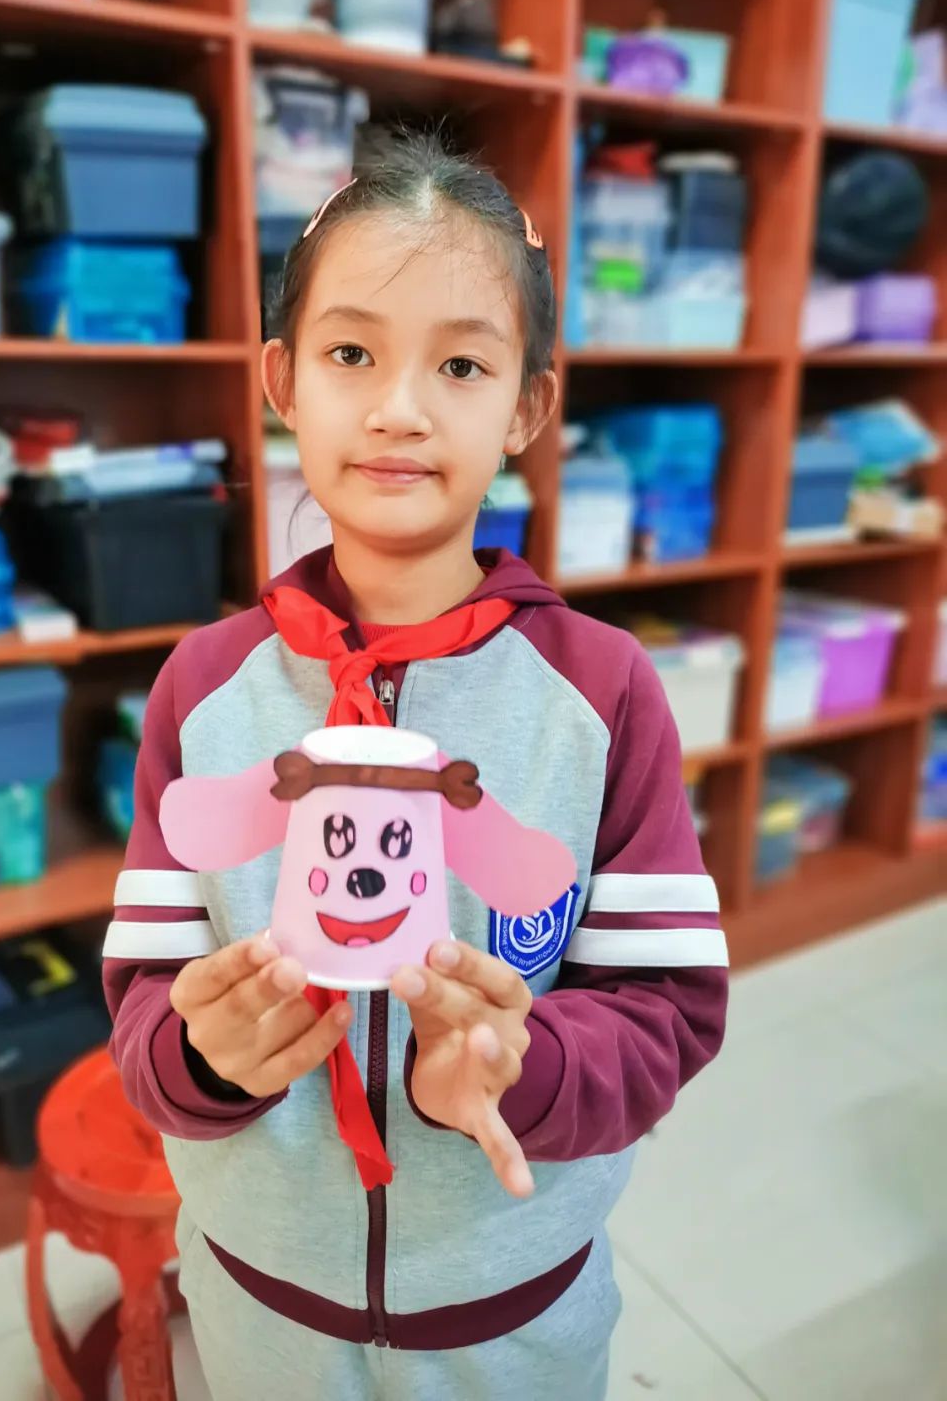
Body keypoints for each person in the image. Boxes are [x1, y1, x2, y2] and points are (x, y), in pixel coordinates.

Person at [103, 131, 729, 1400]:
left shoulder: (603, 693)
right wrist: (208, 1055)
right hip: (264, 1296)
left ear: (527, 408)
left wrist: (523, 1059)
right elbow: (142, 996)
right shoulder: (200, 689)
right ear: (283, 379)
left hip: (514, 1309)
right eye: (352, 354)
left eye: (461, 363)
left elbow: (670, 1006)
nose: (400, 406)